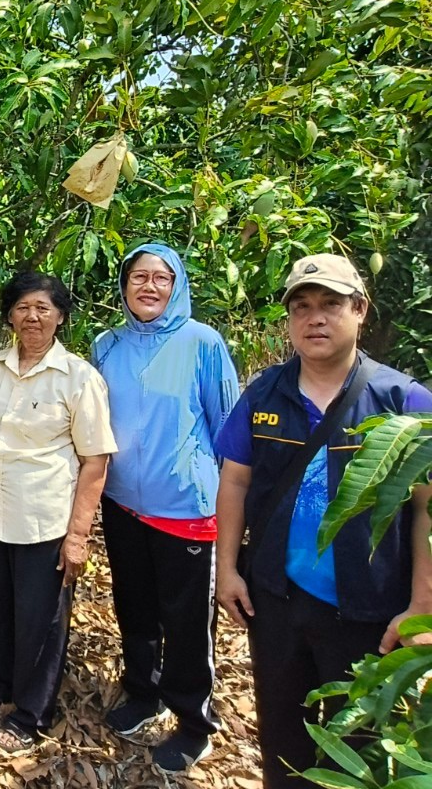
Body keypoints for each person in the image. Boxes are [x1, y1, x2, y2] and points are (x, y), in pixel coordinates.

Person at [215, 253, 432, 789]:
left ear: (360, 310)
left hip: (368, 608)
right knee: (282, 733)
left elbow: (427, 506)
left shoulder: (405, 401)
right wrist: (228, 569)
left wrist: (422, 605)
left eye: (331, 305)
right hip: (277, 599)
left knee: (361, 740)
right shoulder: (263, 394)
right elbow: (235, 481)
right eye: (302, 307)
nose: (315, 318)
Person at [0, 272, 116, 753]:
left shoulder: (79, 379)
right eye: (23, 307)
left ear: (60, 316)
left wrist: (78, 536)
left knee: (40, 621)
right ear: (9, 315)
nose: (32, 317)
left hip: (44, 520)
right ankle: (1, 681)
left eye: (43, 308)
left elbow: (95, 462)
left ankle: (31, 713)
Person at [90, 244, 239, 771]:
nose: (149, 286)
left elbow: (228, 429)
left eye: (161, 278)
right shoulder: (106, 344)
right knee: (134, 607)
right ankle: (143, 692)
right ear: (124, 284)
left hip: (185, 508)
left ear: (177, 287)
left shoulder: (202, 342)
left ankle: (194, 721)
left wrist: (224, 499)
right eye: (139, 276)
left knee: (187, 620)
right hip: (122, 503)